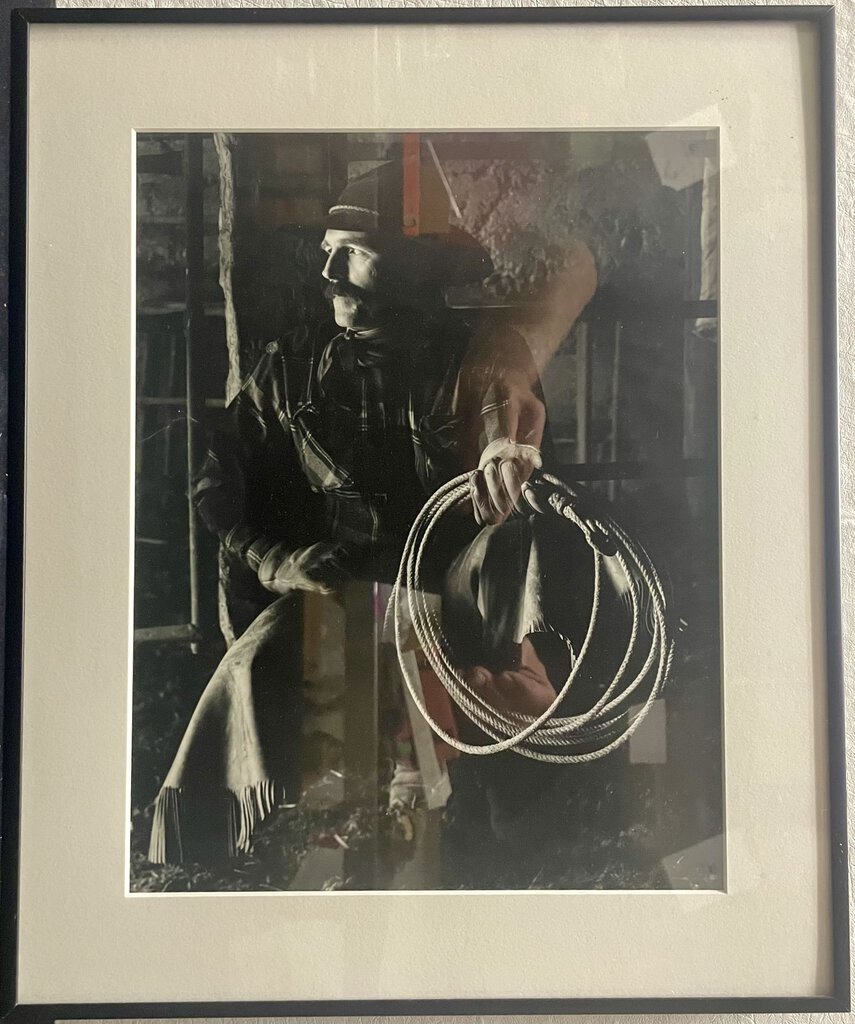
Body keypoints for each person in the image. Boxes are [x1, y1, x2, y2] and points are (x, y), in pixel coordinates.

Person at [147, 158, 600, 872]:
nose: (330, 277)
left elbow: (503, 424)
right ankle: (291, 852)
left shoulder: (473, 367)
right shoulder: (293, 368)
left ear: (416, 267)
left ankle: (462, 849)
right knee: (258, 667)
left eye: (355, 255)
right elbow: (216, 480)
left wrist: (502, 459)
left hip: (452, 602)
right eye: (329, 254)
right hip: (343, 590)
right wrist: (279, 561)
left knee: (454, 741)